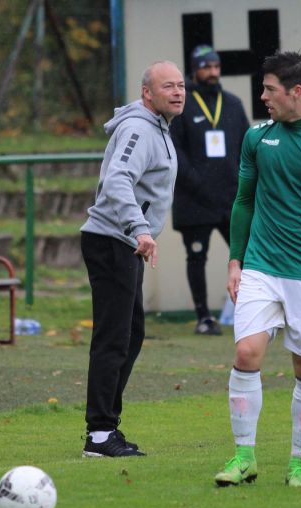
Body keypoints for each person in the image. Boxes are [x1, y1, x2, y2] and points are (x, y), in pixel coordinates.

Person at [214, 51, 301, 488]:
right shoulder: (258, 138)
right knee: (246, 353)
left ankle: (298, 464)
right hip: (261, 265)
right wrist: (236, 260)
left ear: (297, 92)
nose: (263, 97)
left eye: (270, 89)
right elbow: (243, 201)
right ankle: (244, 457)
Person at [80, 61, 185, 457]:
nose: (177, 92)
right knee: (114, 338)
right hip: (113, 241)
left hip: (123, 242)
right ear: (147, 93)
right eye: (168, 86)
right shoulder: (140, 128)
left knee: (131, 334)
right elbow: (118, 178)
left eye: (180, 85)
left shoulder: (157, 127)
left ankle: (106, 425)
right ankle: (100, 433)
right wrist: (139, 228)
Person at [169, 45, 250, 335]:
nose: (213, 72)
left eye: (216, 67)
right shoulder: (182, 105)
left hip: (231, 199)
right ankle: (203, 317)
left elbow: (246, 148)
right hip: (195, 200)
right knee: (196, 256)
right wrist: (198, 185)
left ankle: (253, 313)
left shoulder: (232, 104)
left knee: (247, 258)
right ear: (195, 69)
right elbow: (174, 151)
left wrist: (241, 186)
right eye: (206, 67)